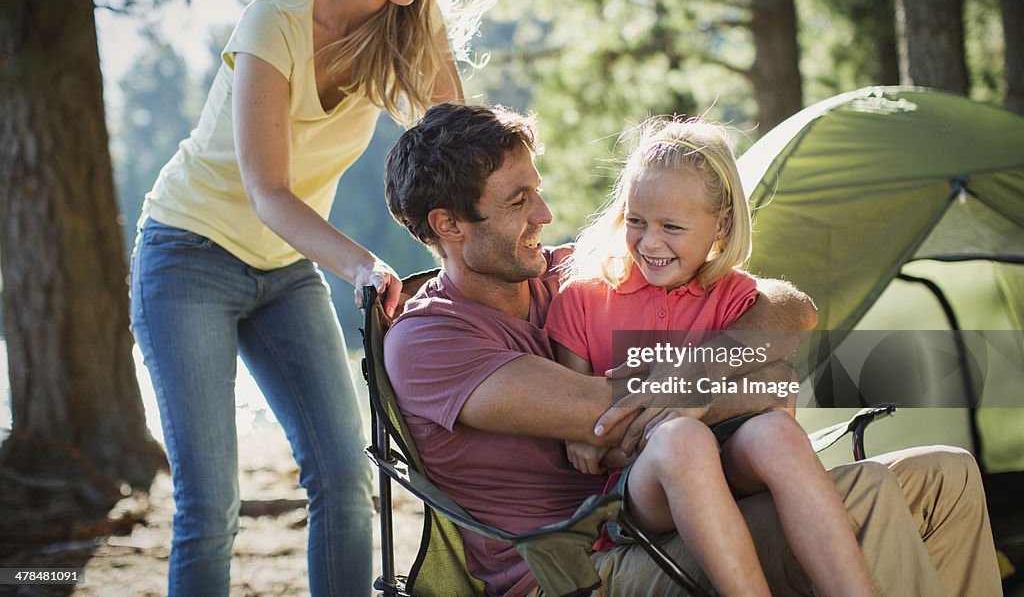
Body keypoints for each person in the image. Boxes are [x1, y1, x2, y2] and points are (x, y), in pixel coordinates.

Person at [382, 102, 1002, 597]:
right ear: (449, 226)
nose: (545, 213)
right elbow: (615, 409)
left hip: (680, 514)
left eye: (537, 191)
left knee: (945, 474)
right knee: (864, 501)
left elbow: (786, 308)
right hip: (582, 567)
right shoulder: (429, 340)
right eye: (518, 202)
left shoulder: (569, 272)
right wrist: (759, 381)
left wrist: (704, 369)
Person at [128, 0, 484, 594]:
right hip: (185, 255)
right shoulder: (276, 21)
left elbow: (457, 148)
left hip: (282, 268)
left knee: (348, 481)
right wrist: (361, 264)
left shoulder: (411, 25)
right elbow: (269, 191)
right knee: (209, 506)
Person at [544, 116, 873, 596]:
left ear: (721, 223)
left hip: (733, 465)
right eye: (636, 221)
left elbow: (777, 392)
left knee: (776, 432)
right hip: (639, 492)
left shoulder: (735, 299)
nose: (649, 242)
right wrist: (621, 437)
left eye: (671, 227)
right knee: (682, 441)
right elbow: (583, 444)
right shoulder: (584, 300)